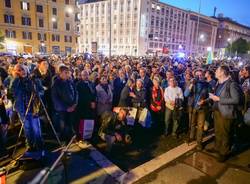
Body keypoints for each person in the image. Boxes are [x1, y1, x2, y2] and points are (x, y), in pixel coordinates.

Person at [209, 65, 241, 162]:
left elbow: (236, 100)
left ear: (222, 72)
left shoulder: (231, 84)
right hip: (217, 111)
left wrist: (219, 99)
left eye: (217, 70)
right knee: (218, 131)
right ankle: (217, 147)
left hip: (226, 113)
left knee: (225, 133)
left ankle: (224, 152)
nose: (215, 72)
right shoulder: (219, 83)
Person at [10, 64, 44, 151]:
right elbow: (11, 91)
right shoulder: (15, 81)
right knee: (27, 128)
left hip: (33, 108)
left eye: (23, 69)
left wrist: (37, 94)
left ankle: (39, 144)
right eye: (19, 70)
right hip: (22, 109)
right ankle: (30, 144)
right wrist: (16, 78)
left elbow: (41, 90)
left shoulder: (33, 80)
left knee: (36, 127)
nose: (22, 71)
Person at [184, 69, 210, 150]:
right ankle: (191, 137)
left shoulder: (206, 84)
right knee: (192, 123)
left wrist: (204, 101)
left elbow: (210, 96)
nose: (198, 77)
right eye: (197, 75)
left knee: (200, 126)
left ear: (203, 75)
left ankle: (199, 142)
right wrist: (191, 85)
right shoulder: (191, 83)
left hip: (202, 108)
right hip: (192, 107)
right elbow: (186, 94)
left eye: (200, 75)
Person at [51, 65, 78, 142]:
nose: (68, 74)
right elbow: (56, 99)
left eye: (68, 72)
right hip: (62, 110)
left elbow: (76, 92)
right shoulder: (56, 84)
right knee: (63, 126)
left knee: (71, 124)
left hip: (72, 107)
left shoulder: (70, 81)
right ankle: (64, 142)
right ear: (60, 73)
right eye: (66, 73)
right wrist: (66, 108)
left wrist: (75, 103)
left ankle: (70, 140)